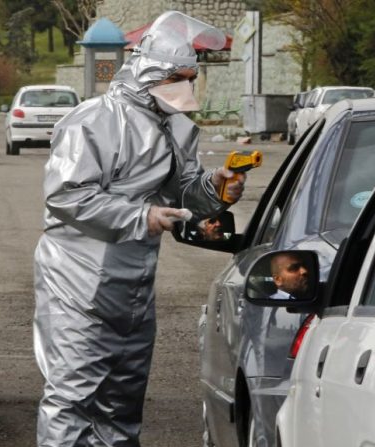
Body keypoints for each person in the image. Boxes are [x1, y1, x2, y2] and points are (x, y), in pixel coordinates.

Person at [32, 11, 245, 446]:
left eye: (191, 77)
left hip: (133, 286)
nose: (187, 87)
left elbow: (182, 193)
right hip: (76, 280)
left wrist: (216, 189)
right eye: (179, 77)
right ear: (151, 73)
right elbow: (67, 196)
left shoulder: (177, 128)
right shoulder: (93, 120)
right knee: (73, 396)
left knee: (122, 400)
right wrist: (141, 217)